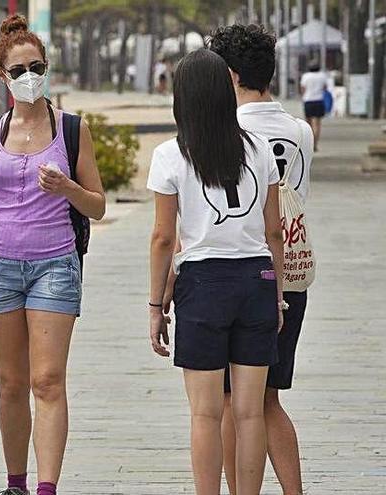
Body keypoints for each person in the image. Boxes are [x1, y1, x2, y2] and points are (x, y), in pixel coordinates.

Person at [0, 14, 106, 495]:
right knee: (10, 383)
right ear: (3, 75)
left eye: (36, 66)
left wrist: (66, 187)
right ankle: (15, 483)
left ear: (47, 68)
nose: (28, 77)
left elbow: (98, 205)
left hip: (55, 265)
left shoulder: (70, 129)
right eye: (18, 69)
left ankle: (46, 487)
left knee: (46, 380)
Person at [148, 49, 285, 495]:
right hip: (256, 282)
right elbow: (274, 232)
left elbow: (163, 239)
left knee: (206, 414)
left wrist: (156, 305)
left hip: (203, 286)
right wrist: (278, 295)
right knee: (249, 413)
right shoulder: (259, 150)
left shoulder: (170, 155)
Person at [207, 24, 314, 495]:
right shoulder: (301, 131)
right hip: (291, 274)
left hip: (246, 277)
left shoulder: (230, 133)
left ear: (229, 76)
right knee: (268, 400)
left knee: (233, 401)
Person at [299, 63, 329, 151]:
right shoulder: (322, 76)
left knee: (308, 124)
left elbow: (303, 89)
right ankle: (315, 145)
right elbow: (325, 88)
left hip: (308, 101)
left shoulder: (306, 76)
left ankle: (309, 144)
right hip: (319, 101)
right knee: (317, 124)